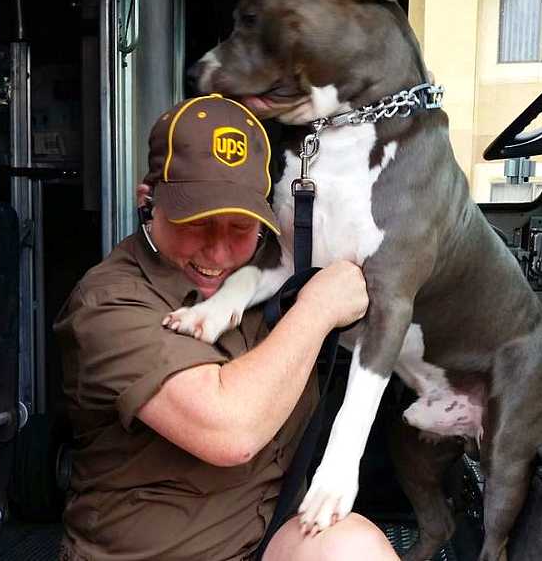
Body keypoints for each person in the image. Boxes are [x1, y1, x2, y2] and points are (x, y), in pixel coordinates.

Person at [53, 95, 398, 561]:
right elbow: (230, 432)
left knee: (352, 548)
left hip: (258, 543)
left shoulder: (266, 279)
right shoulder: (109, 302)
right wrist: (318, 309)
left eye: (240, 228)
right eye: (196, 223)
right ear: (147, 203)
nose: (216, 254)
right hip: (144, 553)